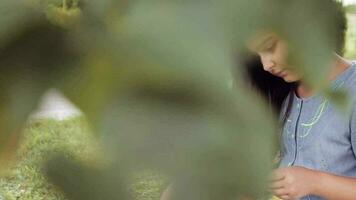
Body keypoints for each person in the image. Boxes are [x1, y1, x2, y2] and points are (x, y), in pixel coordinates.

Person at [244, 1, 356, 199]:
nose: (266, 65)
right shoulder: (283, 92)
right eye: (258, 54)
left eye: (269, 47)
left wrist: (315, 181)